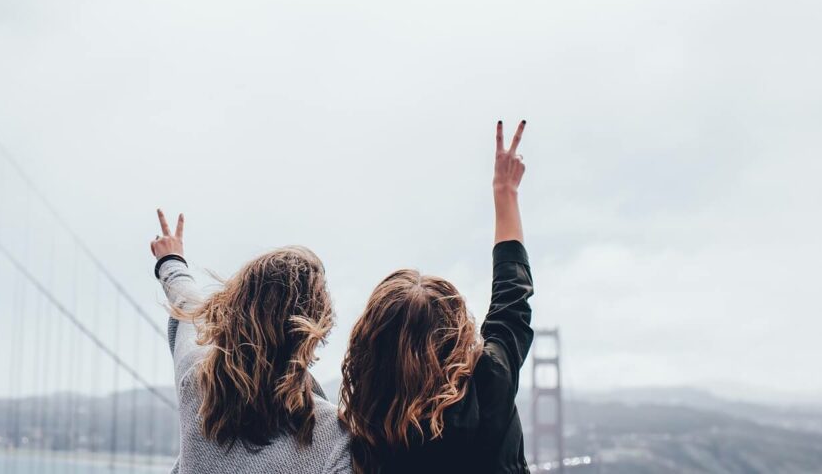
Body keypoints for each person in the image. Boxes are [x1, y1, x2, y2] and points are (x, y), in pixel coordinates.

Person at [339, 119, 535, 473]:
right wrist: (505, 191)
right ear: (456, 332)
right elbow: (512, 302)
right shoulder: (490, 383)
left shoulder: (366, 428)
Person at [149, 209, 351, 474]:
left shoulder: (195, 380)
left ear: (232, 308)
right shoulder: (337, 438)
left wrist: (171, 260)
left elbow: (187, 303)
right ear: (317, 329)